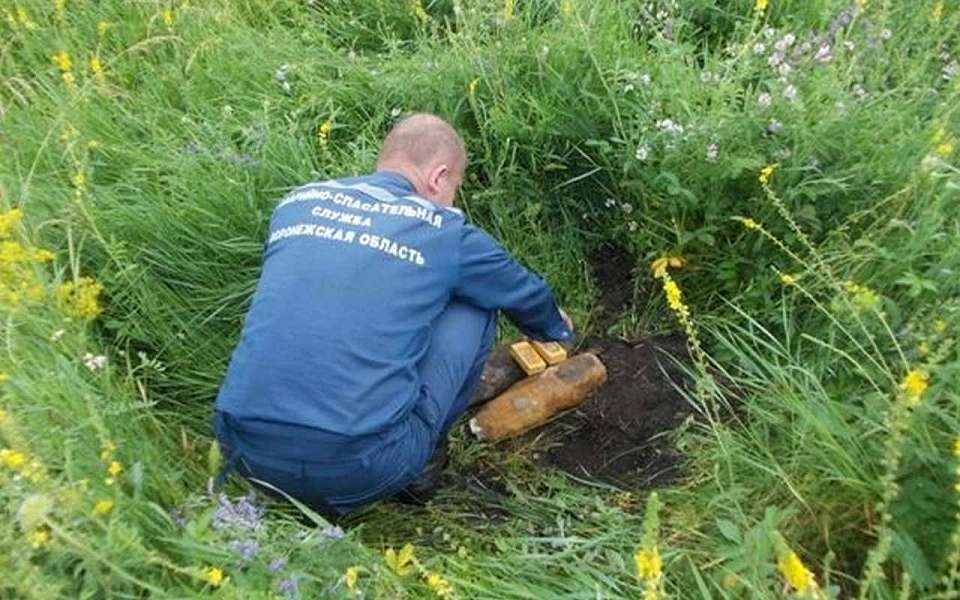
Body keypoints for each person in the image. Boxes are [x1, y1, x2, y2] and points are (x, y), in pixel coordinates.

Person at [213, 113, 573, 520]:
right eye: (455, 187)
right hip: (358, 467)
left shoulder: (297, 203)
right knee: (477, 302)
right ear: (438, 178)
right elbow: (521, 292)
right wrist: (555, 329)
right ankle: (419, 471)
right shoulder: (443, 231)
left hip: (242, 451)